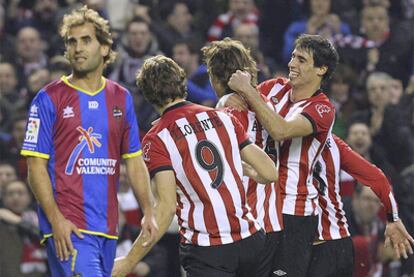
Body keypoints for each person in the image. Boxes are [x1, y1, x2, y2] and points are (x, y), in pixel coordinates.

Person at [20, 6, 157, 276]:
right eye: (72, 42)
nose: (77, 48)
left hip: (107, 230)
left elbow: (134, 159)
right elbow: (35, 167)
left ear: (105, 48)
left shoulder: (121, 97)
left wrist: (149, 211)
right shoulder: (48, 98)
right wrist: (56, 220)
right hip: (69, 229)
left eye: (86, 40)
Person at [111, 55, 278, 277]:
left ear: (148, 95)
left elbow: (166, 207)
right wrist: (245, 171)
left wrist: (128, 261)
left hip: (208, 250)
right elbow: (270, 172)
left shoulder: (157, 138)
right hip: (252, 240)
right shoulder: (223, 118)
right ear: (183, 83)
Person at [227, 34, 338, 276]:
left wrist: (247, 89)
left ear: (321, 69)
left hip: (293, 210)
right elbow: (235, 112)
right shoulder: (274, 87)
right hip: (259, 205)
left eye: (301, 60)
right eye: (292, 56)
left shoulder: (321, 108)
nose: (291, 64)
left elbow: (280, 130)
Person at [202, 37, 283, 276]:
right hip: (271, 217)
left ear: (215, 77)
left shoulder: (226, 106)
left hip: (242, 222)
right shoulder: (265, 103)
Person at [308, 134, 414, 276]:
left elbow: (378, 179)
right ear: (355, 197)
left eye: (376, 201)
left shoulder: (385, 223)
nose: (370, 205)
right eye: (366, 199)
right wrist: (373, 245)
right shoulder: (339, 213)